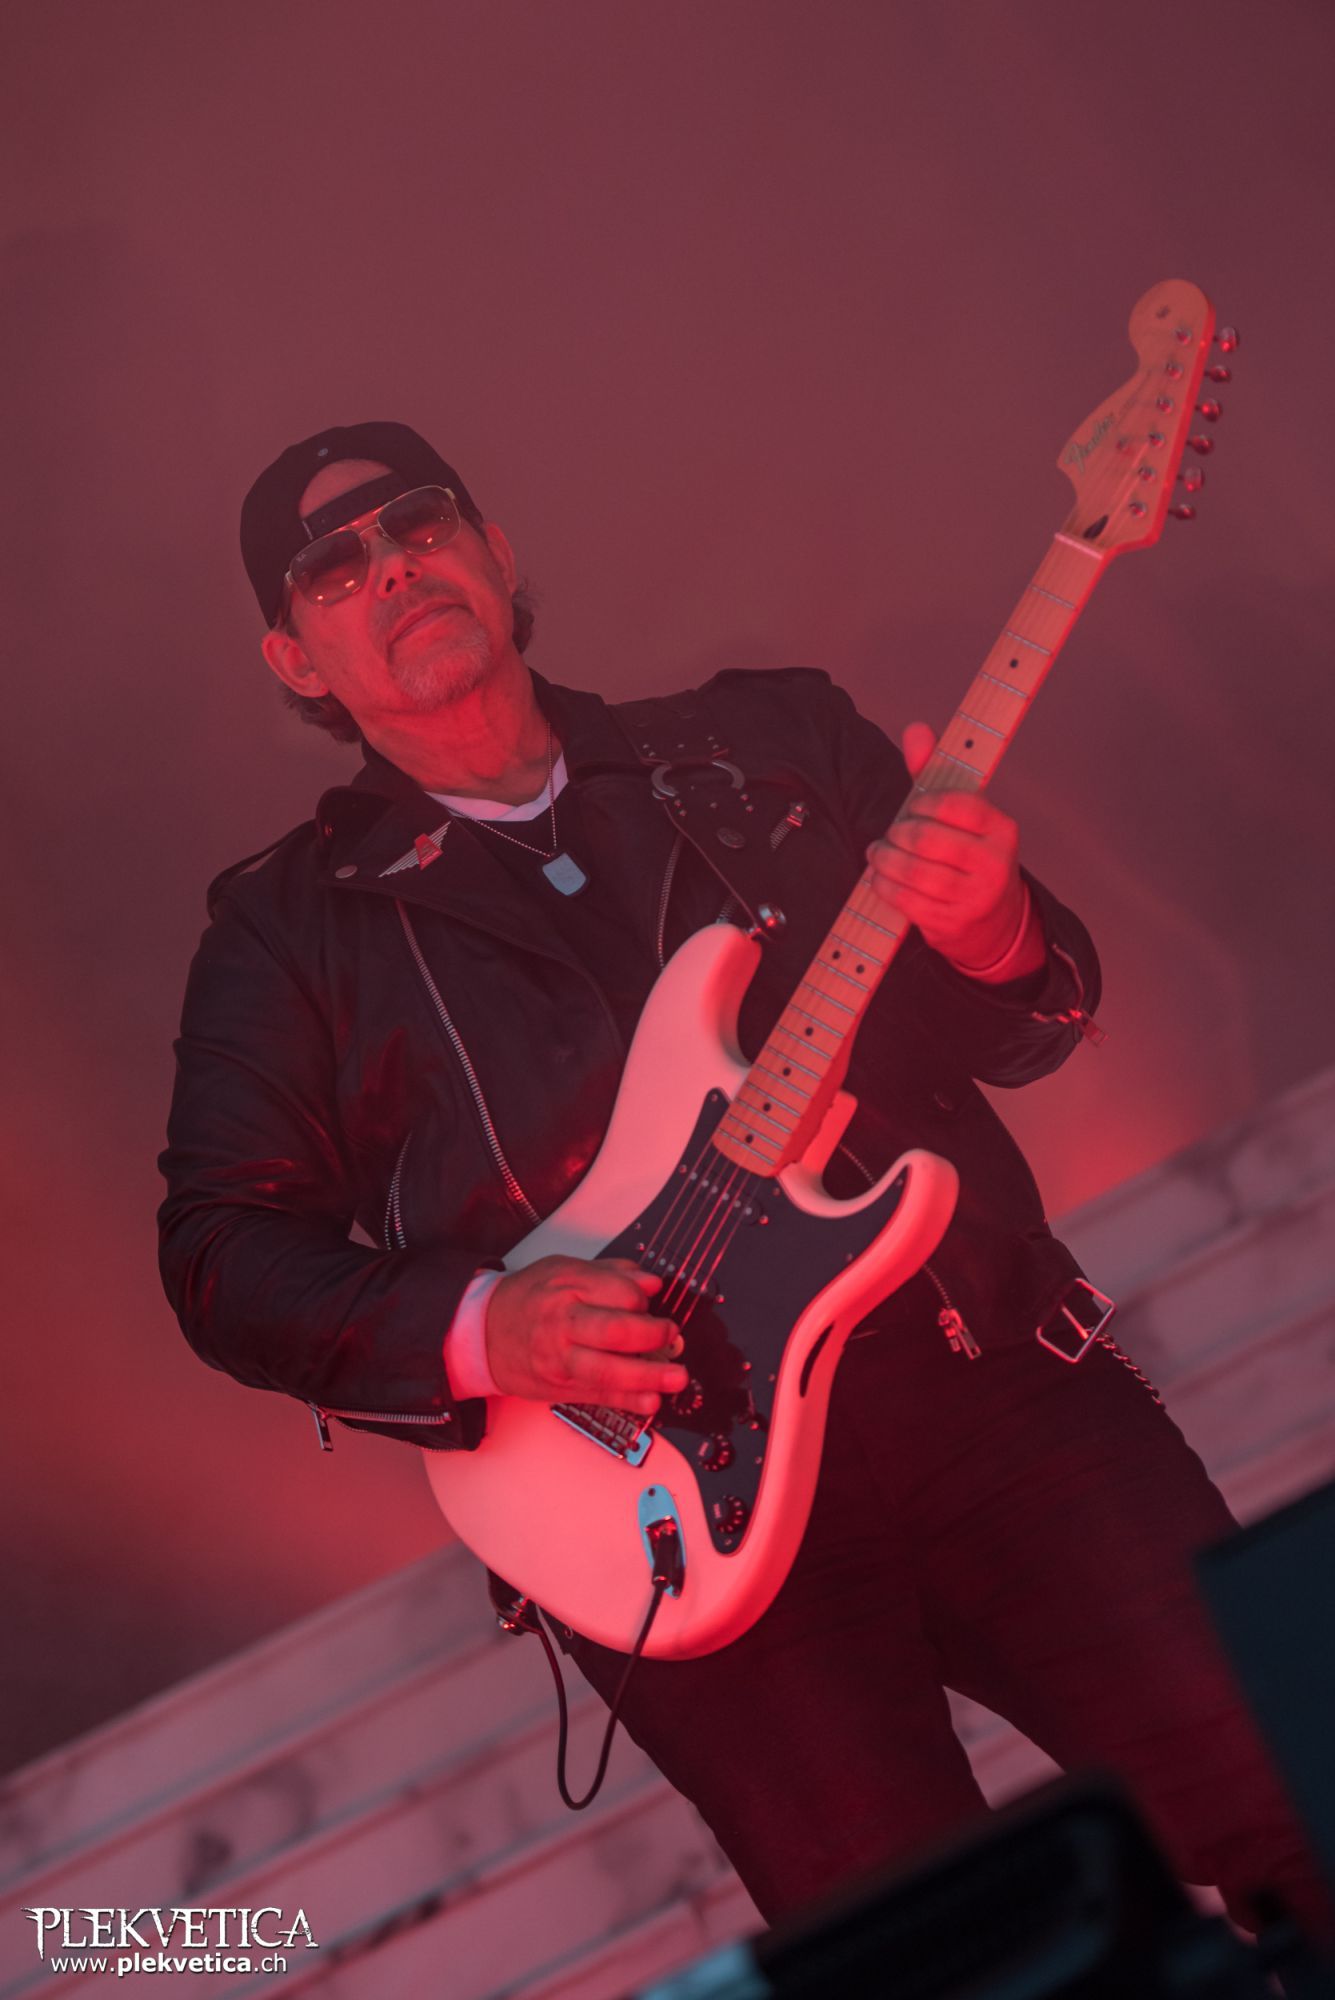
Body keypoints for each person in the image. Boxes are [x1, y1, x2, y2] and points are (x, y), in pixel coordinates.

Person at [158, 420, 1332, 1945]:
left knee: (1299, 1792)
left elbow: (1020, 1024)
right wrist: (487, 1329)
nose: (393, 569)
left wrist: (994, 933)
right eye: (335, 569)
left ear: (497, 555)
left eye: (420, 524)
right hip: (665, 1495)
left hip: (982, 1384)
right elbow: (220, 1253)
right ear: (294, 660)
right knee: (946, 1963)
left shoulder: (767, 742)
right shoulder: (286, 934)